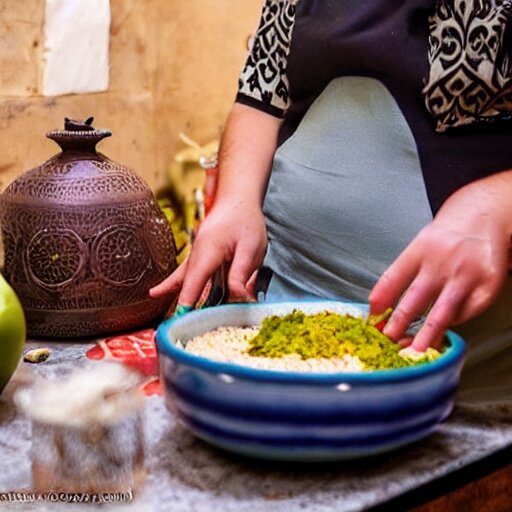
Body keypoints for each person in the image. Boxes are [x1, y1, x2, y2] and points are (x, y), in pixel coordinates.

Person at [151, 0, 512, 401]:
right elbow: (260, 97)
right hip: (285, 313)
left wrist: (497, 204)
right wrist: (236, 199)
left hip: (471, 355)